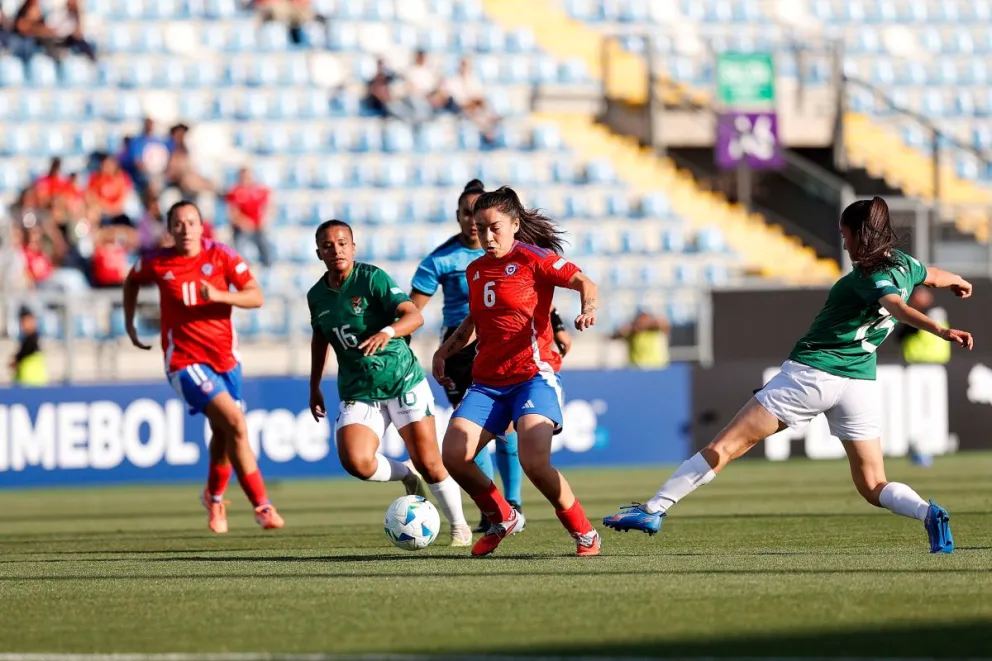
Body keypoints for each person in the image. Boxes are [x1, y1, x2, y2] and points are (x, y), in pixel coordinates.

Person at [603, 197, 973, 554]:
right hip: (859, 383)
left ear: (861, 234)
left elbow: (895, 305)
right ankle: (929, 513)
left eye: (845, 235)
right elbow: (932, 275)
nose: (844, 243)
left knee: (726, 446)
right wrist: (956, 279)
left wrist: (940, 331)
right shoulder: (905, 264)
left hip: (812, 375)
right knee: (874, 483)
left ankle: (653, 509)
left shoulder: (869, 275)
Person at [434, 186, 600, 557]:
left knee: (534, 462)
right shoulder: (475, 270)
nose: (486, 236)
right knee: (454, 455)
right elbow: (475, 321)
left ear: (514, 223)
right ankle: (502, 516)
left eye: (494, 227)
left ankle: (584, 532)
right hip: (488, 383)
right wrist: (443, 352)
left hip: (532, 376)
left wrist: (588, 307)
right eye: (480, 228)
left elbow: (584, 282)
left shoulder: (533, 259)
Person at [410, 179, 573, 533]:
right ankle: (497, 510)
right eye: (470, 217)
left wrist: (561, 323)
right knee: (464, 443)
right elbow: (421, 309)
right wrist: (429, 348)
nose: (478, 228)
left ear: (510, 223)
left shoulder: (523, 255)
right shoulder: (447, 261)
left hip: (523, 358)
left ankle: (514, 504)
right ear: (460, 216)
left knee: (517, 437)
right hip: (468, 352)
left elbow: (541, 292)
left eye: (486, 222)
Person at [307, 219, 472, 547]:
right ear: (318, 252)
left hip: (401, 379)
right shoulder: (317, 295)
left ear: (353, 248)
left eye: (342, 243)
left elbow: (415, 316)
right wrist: (314, 385)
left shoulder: (372, 279)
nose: (336, 249)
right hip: (358, 388)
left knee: (430, 462)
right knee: (357, 462)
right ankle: (406, 475)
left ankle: (459, 527)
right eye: (328, 245)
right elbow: (319, 339)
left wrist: (387, 331)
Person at [123, 200, 284, 534]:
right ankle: (263, 506)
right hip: (184, 361)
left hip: (226, 358)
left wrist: (220, 296)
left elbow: (256, 296)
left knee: (225, 433)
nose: (185, 229)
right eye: (178, 223)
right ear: (169, 229)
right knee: (236, 423)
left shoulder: (221, 255)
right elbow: (131, 280)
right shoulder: (157, 262)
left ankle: (214, 498)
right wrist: (130, 325)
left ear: (201, 226)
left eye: (191, 222)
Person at [896, 287, 951, 467]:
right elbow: (901, 335)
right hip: (917, 367)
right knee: (918, 411)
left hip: (935, 368)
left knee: (931, 411)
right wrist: (913, 308)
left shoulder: (935, 311)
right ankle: (919, 449)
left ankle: (928, 447)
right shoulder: (911, 313)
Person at [9, 305, 47, 386]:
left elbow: (21, 355)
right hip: (24, 384)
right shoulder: (26, 340)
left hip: (32, 385)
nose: (23, 324)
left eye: (26, 321)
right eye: (22, 321)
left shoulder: (33, 339)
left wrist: (16, 360)